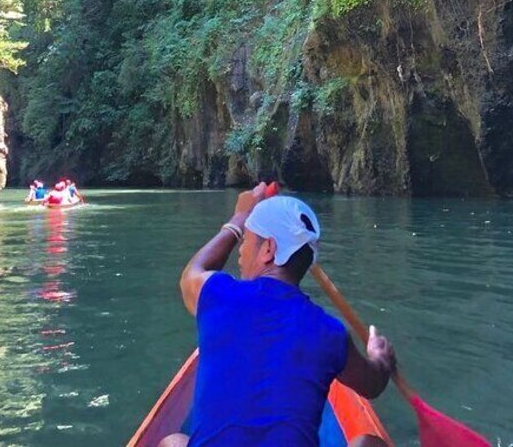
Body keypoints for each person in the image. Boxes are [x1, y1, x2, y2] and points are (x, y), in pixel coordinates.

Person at [163, 183, 395, 447]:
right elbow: (374, 383)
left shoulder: (218, 295)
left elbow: (192, 273)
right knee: (369, 443)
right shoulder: (330, 332)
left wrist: (238, 218)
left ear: (269, 249)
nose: (240, 250)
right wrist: (381, 357)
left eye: (246, 239)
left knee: (172, 442)